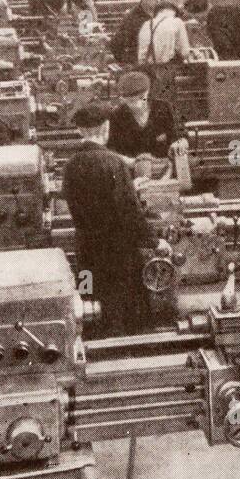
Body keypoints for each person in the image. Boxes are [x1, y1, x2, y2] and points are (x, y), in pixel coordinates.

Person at [62, 102, 169, 335]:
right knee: (125, 307)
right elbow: (129, 213)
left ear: (80, 131)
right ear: (106, 128)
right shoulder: (113, 163)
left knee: (87, 294)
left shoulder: (70, 166)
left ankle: (91, 337)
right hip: (118, 253)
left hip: (85, 251)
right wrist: (154, 241)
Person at [107, 70, 177, 159]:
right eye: (131, 101)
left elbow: (181, 134)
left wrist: (179, 143)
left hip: (164, 165)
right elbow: (111, 150)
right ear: (122, 99)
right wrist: (129, 161)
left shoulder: (164, 108)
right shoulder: (116, 116)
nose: (138, 104)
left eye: (142, 98)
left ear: (147, 92)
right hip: (131, 168)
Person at [109, 0, 163, 65]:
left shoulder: (164, 15)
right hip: (140, 66)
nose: (157, 1)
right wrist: (130, 63)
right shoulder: (131, 18)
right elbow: (115, 46)